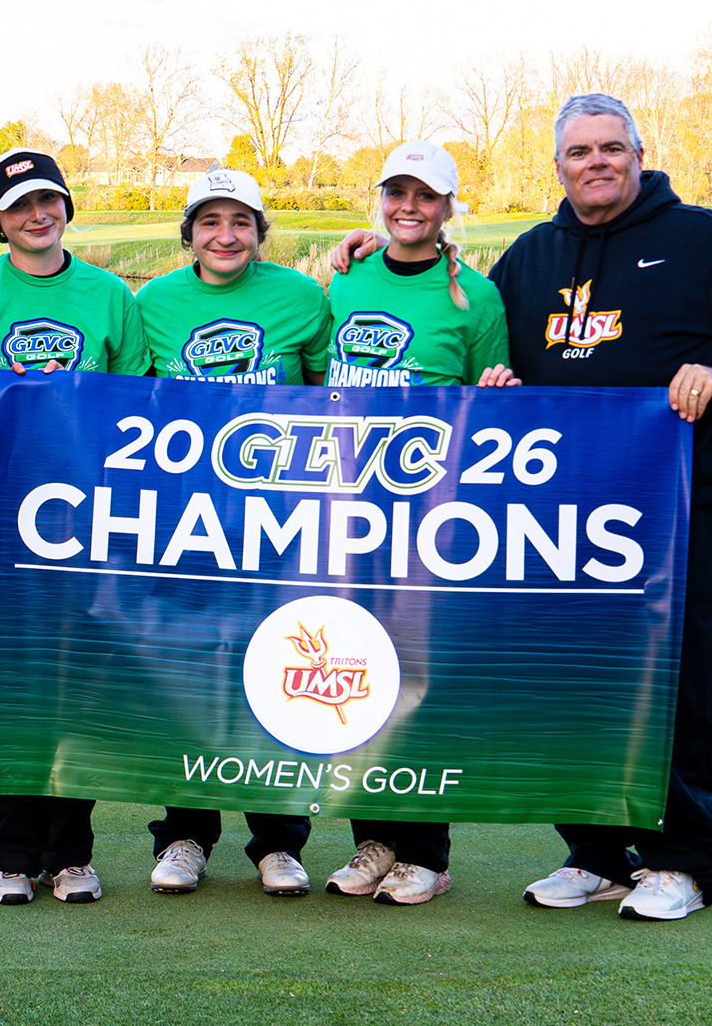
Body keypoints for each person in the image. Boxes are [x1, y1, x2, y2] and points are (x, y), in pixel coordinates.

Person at [333, 94, 712, 920]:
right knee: (564, 679)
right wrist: (376, 250)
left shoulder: (700, 240)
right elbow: (462, 315)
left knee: (675, 681)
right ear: (557, 167)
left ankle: (682, 861)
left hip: (672, 506)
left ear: (637, 152)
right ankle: (596, 853)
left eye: (610, 148)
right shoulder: (532, 255)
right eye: (578, 153)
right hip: (555, 517)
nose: (595, 162)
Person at [305, 140, 514, 905]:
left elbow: (492, 404)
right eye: (397, 193)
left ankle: (426, 851)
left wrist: (497, 389)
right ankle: (374, 844)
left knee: (420, 676)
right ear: (381, 200)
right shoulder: (345, 275)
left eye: (425, 196)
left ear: (447, 208)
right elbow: (307, 374)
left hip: (429, 519)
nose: (408, 208)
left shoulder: (476, 298)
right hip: (341, 511)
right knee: (354, 672)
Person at [0, 148, 150, 907]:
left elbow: (138, 404)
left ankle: (71, 853)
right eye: (18, 207)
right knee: (5, 687)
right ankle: (11, 854)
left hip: (86, 527)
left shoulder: (109, 294)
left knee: (80, 689)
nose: (37, 216)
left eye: (49, 201)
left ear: (66, 206)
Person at [135, 168, 328, 897]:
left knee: (280, 675)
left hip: (279, 525)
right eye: (210, 221)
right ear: (190, 233)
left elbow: (328, 393)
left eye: (241, 221)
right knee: (190, 675)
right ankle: (185, 835)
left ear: (259, 232)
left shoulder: (304, 297)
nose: (226, 235)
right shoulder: (152, 301)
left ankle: (278, 841)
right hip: (185, 526)